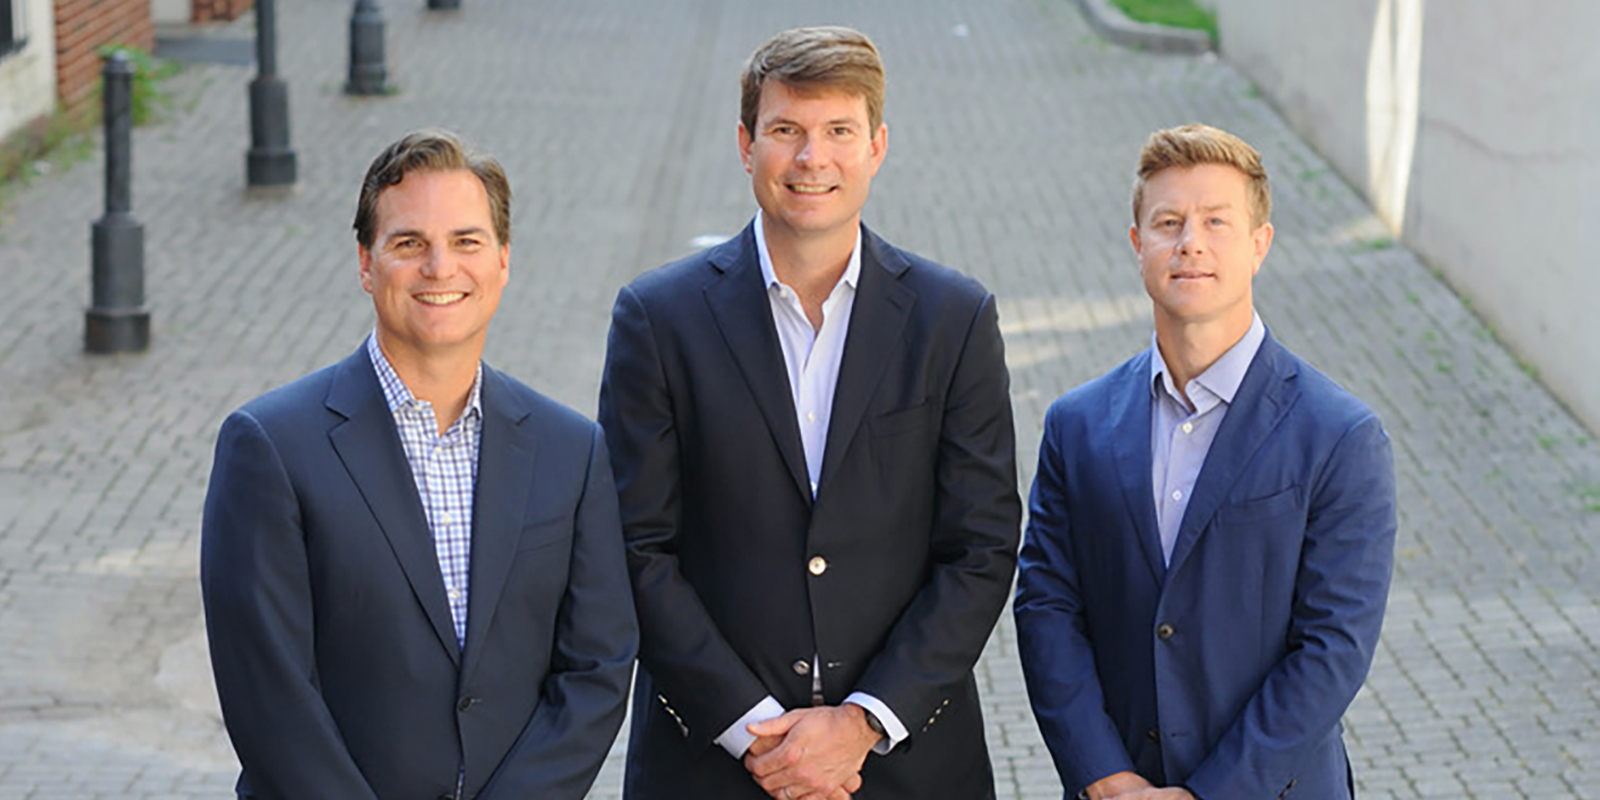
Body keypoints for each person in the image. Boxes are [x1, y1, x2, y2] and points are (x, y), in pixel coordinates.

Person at [599, 25, 1021, 800]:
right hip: (713, 767)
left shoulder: (954, 320)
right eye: (786, 130)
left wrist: (862, 722)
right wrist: (755, 730)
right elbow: (635, 547)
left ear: (877, 146)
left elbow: (981, 547)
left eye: (838, 132)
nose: (811, 158)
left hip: (906, 767)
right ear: (745, 144)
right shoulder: (657, 319)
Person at [200, 130, 637, 800]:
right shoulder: (270, 447)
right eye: (409, 243)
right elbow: (269, 693)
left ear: (503, 260)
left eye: (466, 242)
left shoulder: (571, 451)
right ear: (365, 263)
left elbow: (597, 668)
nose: (440, 267)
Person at [1013, 123, 1398, 800]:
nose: (1190, 241)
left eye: (1216, 221)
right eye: (1168, 222)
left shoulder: (1340, 436)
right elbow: (1047, 607)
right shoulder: (1077, 425)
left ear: (1259, 245)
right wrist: (1105, 776)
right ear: (1138, 244)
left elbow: (1333, 648)